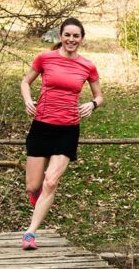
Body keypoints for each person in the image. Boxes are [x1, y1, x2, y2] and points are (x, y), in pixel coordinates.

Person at [20, 18, 103, 250]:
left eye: (76, 36)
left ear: (82, 39)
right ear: (60, 36)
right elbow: (25, 82)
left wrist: (92, 104)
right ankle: (39, 201)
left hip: (68, 129)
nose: (71, 40)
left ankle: (30, 233)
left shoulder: (88, 65)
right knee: (32, 185)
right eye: (67, 35)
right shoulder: (45, 58)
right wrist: (28, 100)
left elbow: (100, 96)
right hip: (42, 126)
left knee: (51, 181)